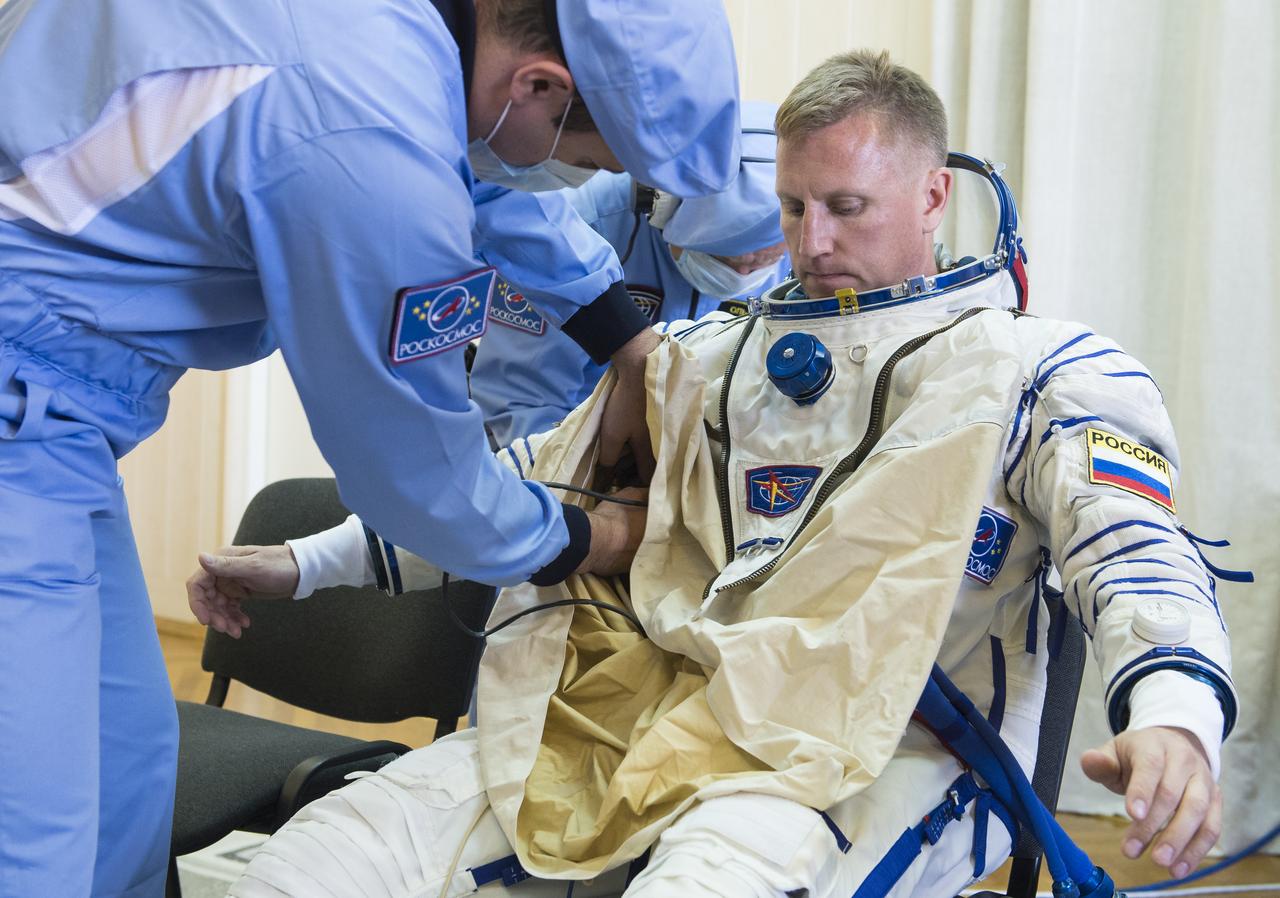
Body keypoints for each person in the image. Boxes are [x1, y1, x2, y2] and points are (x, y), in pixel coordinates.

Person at [203, 50, 1239, 898]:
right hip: (657, 712)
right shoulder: (703, 357)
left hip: (879, 753)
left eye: (844, 206)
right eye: (792, 209)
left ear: (932, 195)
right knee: (324, 855)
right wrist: (301, 565)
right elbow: (520, 486)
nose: (811, 243)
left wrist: (1171, 718)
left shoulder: (1034, 370)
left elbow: (1135, 554)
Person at [0, 0, 744, 893]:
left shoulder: (386, 41)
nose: (564, 177)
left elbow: (484, 192)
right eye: (578, 156)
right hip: (25, 419)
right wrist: (602, 539)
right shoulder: (363, 129)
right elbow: (419, 475)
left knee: (125, 762)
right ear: (540, 85)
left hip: (58, 429)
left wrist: (629, 343)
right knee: (34, 834)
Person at [471, 101, 791, 446]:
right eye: (720, 259)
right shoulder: (574, 227)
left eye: (761, 264)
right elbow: (521, 402)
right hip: (571, 437)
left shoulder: (804, 249)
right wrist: (576, 481)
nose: (742, 272)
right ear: (663, 205)